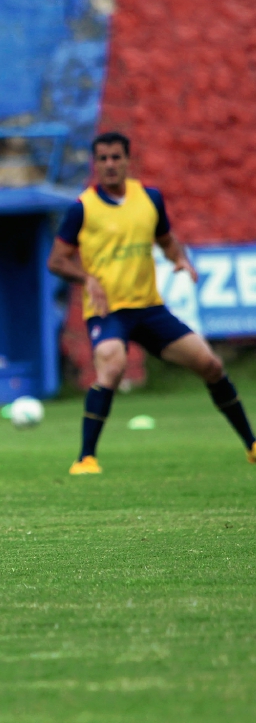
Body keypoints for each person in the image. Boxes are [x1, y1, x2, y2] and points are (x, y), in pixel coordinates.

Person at [48, 131, 255, 474]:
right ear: (95, 164)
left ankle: (251, 445)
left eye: (116, 157)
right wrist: (87, 279)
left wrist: (179, 258)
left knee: (210, 365)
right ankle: (85, 458)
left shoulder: (149, 199)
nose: (110, 164)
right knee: (111, 365)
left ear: (127, 160)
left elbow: (166, 240)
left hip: (149, 308)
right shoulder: (82, 208)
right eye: (103, 159)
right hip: (108, 311)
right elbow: (56, 260)